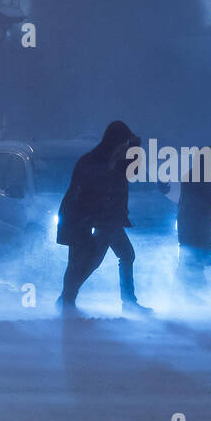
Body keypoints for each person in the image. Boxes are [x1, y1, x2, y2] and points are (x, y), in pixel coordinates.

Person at [56, 120, 151, 315]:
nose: (125, 149)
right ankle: (67, 300)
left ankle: (67, 299)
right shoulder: (94, 162)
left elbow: (132, 170)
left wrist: (135, 147)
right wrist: (92, 217)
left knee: (111, 257)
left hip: (104, 219)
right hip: (84, 218)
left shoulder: (111, 162)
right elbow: (85, 193)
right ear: (115, 143)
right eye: (123, 144)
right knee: (84, 261)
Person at [176, 146, 211, 299]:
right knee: (195, 265)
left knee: (189, 264)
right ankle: (194, 298)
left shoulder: (190, 175)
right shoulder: (205, 177)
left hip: (189, 227)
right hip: (199, 228)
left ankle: (189, 297)